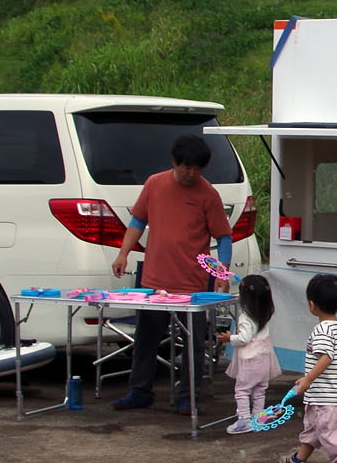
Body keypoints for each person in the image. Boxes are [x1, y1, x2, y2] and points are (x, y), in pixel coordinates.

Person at [110, 134, 233, 413]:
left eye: (197, 169)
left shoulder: (208, 194)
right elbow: (138, 220)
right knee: (146, 339)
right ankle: (140, 391)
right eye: (185, 167)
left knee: (193, 343)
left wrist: (221, 272)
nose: (191, 173)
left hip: (193, 284)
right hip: (155, 281)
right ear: (173, 162)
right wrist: (123, 253)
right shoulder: (155, 183)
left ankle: (188, 396)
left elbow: (224, 237)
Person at [278, 273, 337, 463]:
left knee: (328, 430)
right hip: (328, 392)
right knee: (313, 428)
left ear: (312, 305)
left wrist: (308, 379)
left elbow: (326, 357)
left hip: (325, 394)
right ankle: (298, 460)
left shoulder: (322, 329)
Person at [217, 273, 279, 434]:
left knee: (242, 390)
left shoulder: (246, 317)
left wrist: (229, 337)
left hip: (251, 359)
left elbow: (244, 338)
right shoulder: (265, 313)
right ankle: (258, 417)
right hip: (265, 357)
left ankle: (244, 420)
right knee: (260, 389)